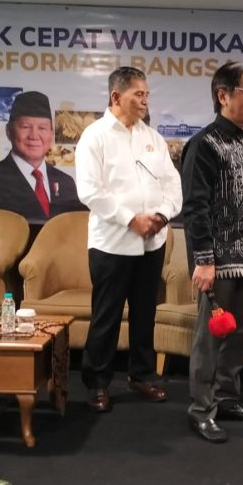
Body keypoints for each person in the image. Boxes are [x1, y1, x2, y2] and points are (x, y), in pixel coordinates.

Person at [181, 61, 243, 444]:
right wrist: (203, 260)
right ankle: (201, 410)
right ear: (223, 95)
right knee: (210, 340)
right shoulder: (204, 145)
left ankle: (226, 399)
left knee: (238, 336)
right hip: (217, 263)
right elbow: (195, 208)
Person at [75, 66, 182, 413]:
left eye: (147, 94)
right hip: (112, 242)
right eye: (138, 94)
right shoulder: (94, 137)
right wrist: (130, 219)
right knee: (106, 315)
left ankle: (142, 376)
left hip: (153, 241)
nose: (145, 100)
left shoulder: (154, 138)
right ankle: (97, 383)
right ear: (116, 96)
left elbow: (173, 184)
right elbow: (89, 190)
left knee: (144, 312)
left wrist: (161, 216)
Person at [0, 91, 84, 223]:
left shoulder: (66, 182)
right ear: (9, 131)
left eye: (42, 128)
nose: (34, 136)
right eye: (25, 127)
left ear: (51, 134)